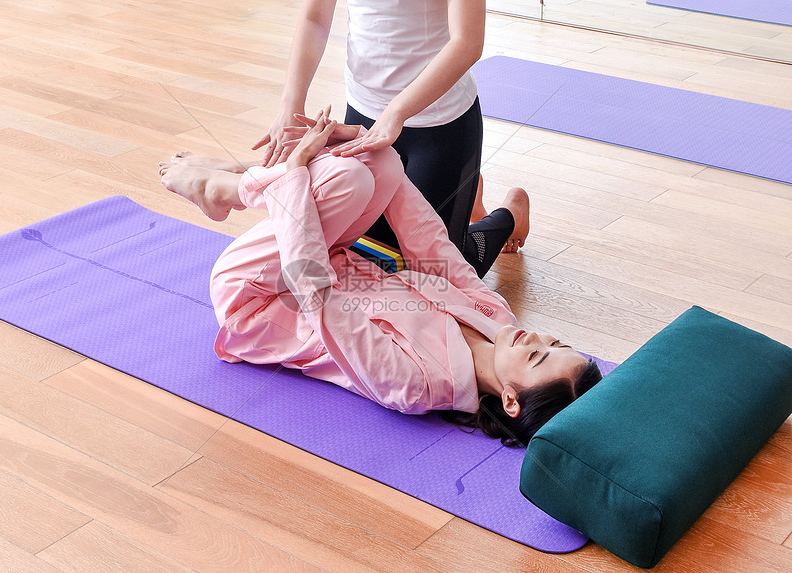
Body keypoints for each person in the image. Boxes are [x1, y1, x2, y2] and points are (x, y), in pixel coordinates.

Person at [158, 111, 601, 447]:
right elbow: (432, 247)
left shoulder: (415, 384)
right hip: (327, 262)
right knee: (378, 160)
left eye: (537, 359)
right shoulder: (497, 318)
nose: (534, 338)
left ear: (510, 400)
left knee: (346, 177)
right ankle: (240, 179)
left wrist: (293, 175)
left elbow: (314, 292)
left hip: (257, 298)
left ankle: (226, 185)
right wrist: (377, 151)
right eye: (553, 342)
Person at [237, 0, 519, 274]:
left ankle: (508, 216)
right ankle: (465, 193)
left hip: (441, 126)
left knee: (437, 276)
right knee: (367, 260)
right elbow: (315, 18)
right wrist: (290, 105)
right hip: (363, 120)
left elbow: (467, 42)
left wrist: (396, 112)